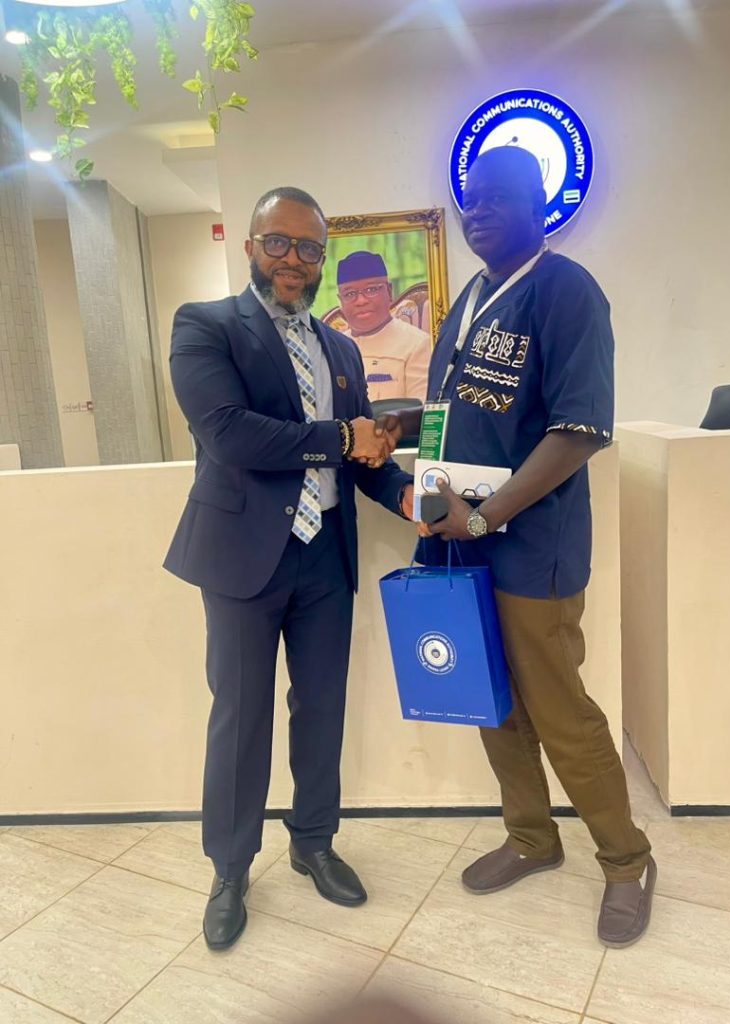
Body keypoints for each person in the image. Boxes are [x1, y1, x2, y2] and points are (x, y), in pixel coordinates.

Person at [376, 147, 655, 949]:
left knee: (560, 709)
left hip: (533, 545)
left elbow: (580, 430)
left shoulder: (565, 291)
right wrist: (431, 495)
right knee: (490, 699)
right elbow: (448, 415)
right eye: (472, 199)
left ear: (541, 206)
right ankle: (532, 837)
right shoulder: (468, 299)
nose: (481, 211)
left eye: (500, 196)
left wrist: (486, 516)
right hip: (462, 542)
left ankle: (627, 860)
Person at [164, 186, 413, 951]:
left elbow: (363, 454)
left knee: (322, 707)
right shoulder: (205, 326)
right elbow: (232, 436)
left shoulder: (341, 350)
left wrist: (408, 494)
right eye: (279, 242)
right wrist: (341, 439)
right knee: (241, 717)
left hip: (325, 557)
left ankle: (313, 842)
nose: (293, 260)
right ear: (250, 247)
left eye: (309, 248)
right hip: (243, 557)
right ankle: (230, 869)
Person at [336, 250, 432, 402]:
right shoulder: (333, 348)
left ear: (389, 291)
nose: (361, 301)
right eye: (349, 294)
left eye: (371, 289)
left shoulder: (417, 344)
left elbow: (421, 409)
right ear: (340, 300)